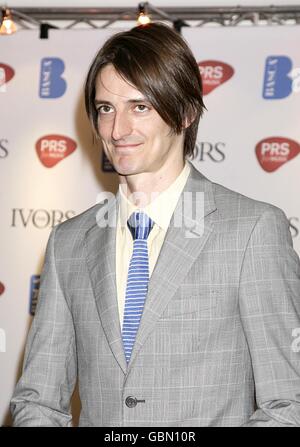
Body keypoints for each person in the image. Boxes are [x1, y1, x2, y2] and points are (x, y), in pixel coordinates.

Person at [10, 22, 300, 427]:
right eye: (106, 108)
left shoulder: (252, 231)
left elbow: (288, 403)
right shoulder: (69, 243)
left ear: (184, 112)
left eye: (139, 106)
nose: (117, 130)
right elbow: (38, 399)